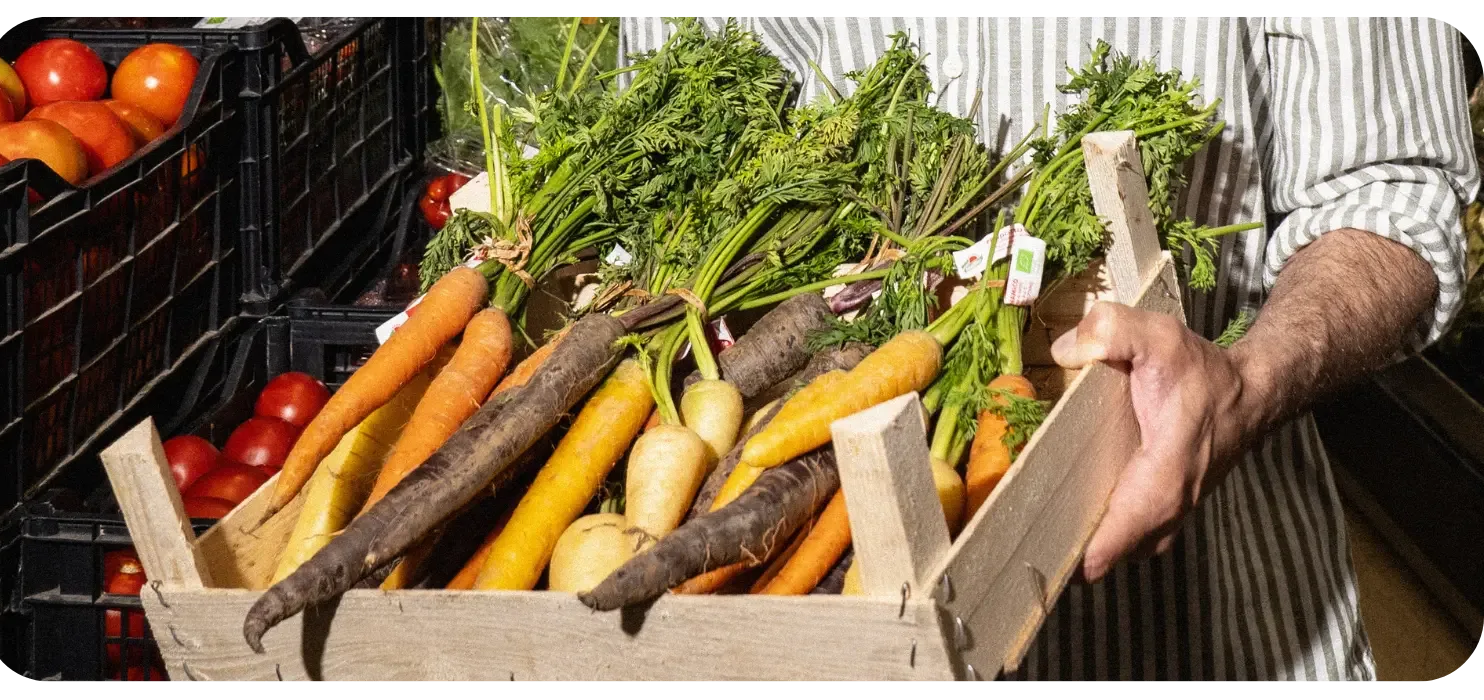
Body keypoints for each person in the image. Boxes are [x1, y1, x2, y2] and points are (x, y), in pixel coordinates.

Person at [620, 17, 1480, 685]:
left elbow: (1394, 190)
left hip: (1209, 622)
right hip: (809, 598)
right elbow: (674, 143)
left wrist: (1246, 383)